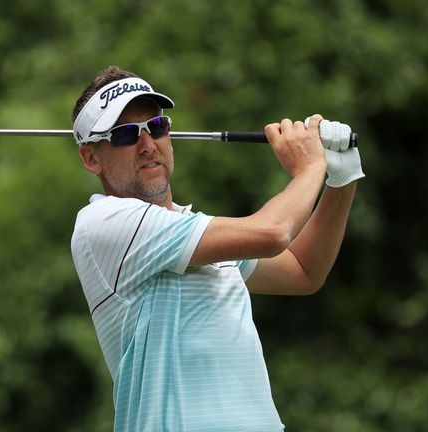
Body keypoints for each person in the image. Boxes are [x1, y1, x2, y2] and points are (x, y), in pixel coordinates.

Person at [69, 66, 364, 431]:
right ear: (91, 158)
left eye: (156, 127)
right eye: (125, 134)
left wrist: (341, 180)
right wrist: (310, 169)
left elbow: (303, 269)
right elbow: (274, 233)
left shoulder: (190, 231)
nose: (148, 144)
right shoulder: (104, 222)